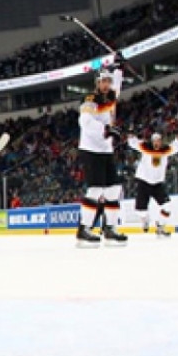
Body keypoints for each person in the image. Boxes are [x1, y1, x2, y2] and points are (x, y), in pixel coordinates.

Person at [76, 66, 128, 246]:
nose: (107, 84)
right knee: (95, 190)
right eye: (103, 81)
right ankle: (84, 229)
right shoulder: (90, 99)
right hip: (91, 149)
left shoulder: (110, 97)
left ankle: (110, 228)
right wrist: (106, 130)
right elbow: (85, 121)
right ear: (97, 83)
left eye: (108, 81)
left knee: (114, 190)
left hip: (106, 150)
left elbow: (117, 87)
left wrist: (119, 69)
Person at [127, 132, 178, 237]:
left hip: (158, 183)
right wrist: (131, 137)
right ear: (152, 142)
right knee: (140, 210)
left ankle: (160, 226)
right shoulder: (145, 147)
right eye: (155, 140)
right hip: (144, 181)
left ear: (161, 141)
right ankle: (145, 219)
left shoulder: (165, 150)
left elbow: (175, 147)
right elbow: (134, 143)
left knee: (167, 206)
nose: (157, 143)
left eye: (159, 140)